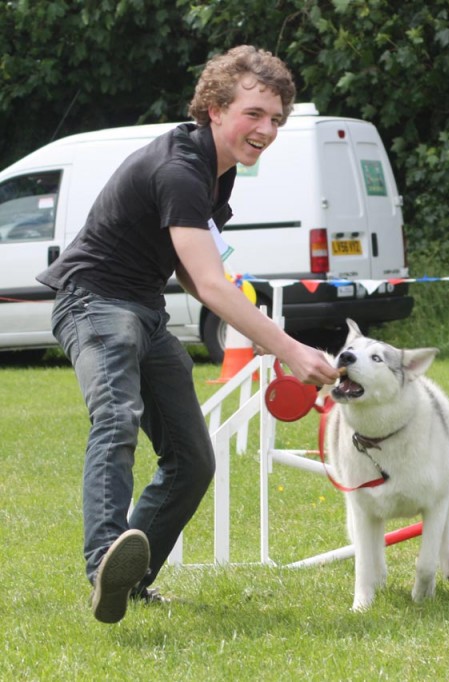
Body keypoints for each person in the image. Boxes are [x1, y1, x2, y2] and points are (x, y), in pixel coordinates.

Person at [36, 46, 341, 624]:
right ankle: (105, 558)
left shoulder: (214, 174)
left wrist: (229, 299)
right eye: (255, 114)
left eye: (277, 118)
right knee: (117, 416)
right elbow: (209, 282)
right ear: (215, 108)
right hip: (94, 300)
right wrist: (290, 347)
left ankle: (129, 583)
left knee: (192, 460)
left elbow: (194, 271)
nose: (267, 130)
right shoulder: (181, 167)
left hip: (143, 306)